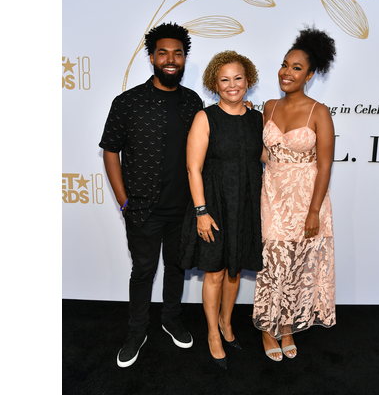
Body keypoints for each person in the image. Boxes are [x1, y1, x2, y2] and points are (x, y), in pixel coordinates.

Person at [99, 22, 204, 368]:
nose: (171, 59)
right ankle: (137, 330)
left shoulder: (193, 102)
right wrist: (123, 200)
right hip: (142, 209)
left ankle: (171, 319)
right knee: (143, 272)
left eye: (177, 53)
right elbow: (110, 151)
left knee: (176, 268)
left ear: (184, 58)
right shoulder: (128, 102)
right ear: (151, 57)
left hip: (185, 208)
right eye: (163, 53)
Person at [252, 25, 337, 361]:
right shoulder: (269, 106)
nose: (286, 72)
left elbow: (325, 166)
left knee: (297, 265)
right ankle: (265, 329)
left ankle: (286, 327)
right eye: (284, 65)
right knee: (271, 264)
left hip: (306, 199)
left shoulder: (320, 112)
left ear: (310, 75)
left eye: (296, 68)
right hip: (272, 193)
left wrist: (314, 211)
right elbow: (264, 154)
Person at [178, 51, 264, 369]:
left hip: (246, 203)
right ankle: (213, 333)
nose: (232, 85)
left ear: (248, 80)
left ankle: (227, 323)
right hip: (213, 204)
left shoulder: (257, 119)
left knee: (235, 269)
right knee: (214, 272)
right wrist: (201, 211)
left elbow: (264, 158)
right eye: (224, 79)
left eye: (238, 78)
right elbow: (193, 168)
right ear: (215, 83)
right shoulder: (205, 117)